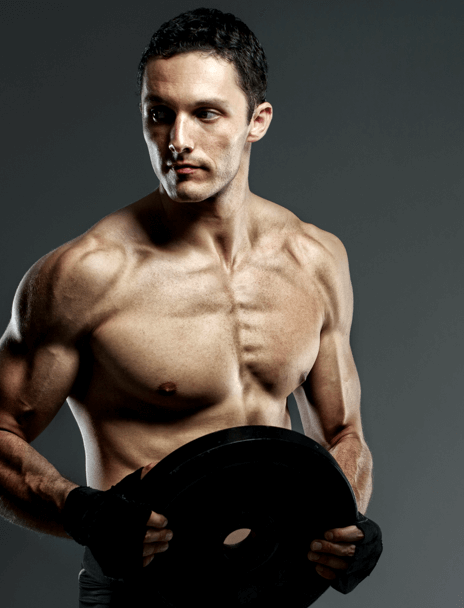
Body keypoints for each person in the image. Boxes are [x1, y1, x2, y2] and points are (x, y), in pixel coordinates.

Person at [0, 8, 379, 607]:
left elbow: (342, 432)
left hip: (269, 587)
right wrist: (82, 512)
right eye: (159, 114)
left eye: (205, 113)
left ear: (257, 121)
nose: (177, 140)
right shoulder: (87, 275)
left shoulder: (314, 260)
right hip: (142, 592)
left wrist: (346, 522)